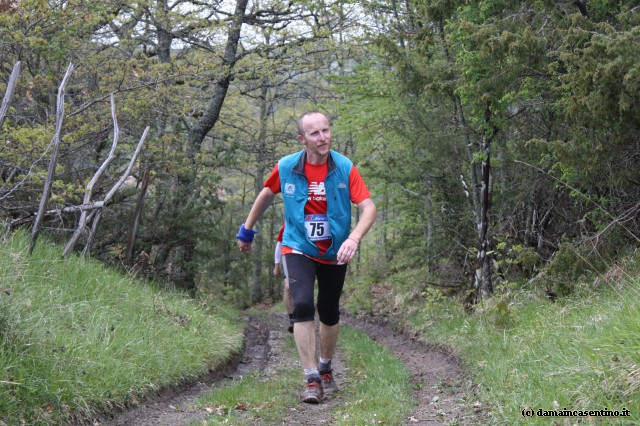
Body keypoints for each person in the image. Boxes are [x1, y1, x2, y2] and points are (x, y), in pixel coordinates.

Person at [236, 111, 377, 404]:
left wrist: (353, 238)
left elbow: (368, 207)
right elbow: (266, 193)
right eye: (314, 133)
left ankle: (325, 366)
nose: (322, 137)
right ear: (302, 139)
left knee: (329, 311)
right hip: (297, 245)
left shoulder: (344, 167)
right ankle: (311, 378)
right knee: (301, 304)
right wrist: (247, 230)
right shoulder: (287, 166)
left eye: (325, 130)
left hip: (335, 250)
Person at [274, 223, 294, 333]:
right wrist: (276, 265)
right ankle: (292, 319)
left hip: (306, 256)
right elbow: (279, 244)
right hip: (289, 255)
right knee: (288, 286)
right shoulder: (287, 223)